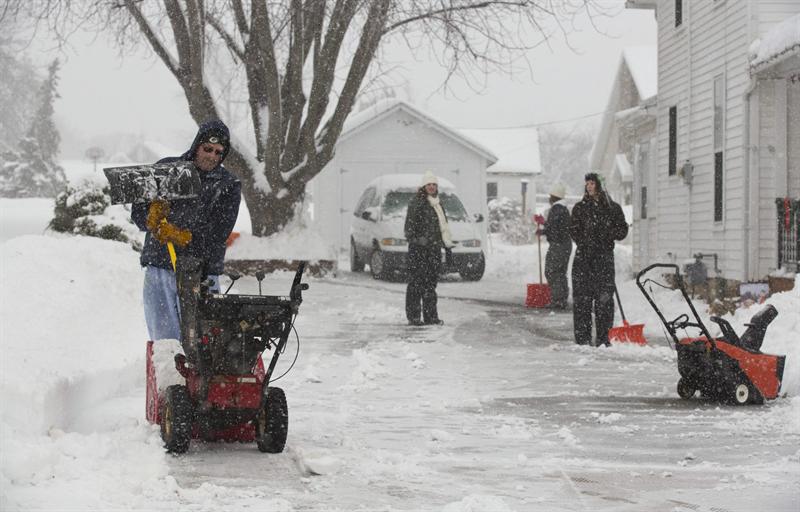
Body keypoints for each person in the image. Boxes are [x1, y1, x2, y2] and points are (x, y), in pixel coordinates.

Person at [131, 120, 241, 341]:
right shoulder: (166, 169)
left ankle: (200, 376)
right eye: (207, 149)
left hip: (202, 273)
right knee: (165, 341)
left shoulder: (227, 184)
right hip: (160, 266)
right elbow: (138, 212)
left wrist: (184, 236)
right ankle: (168, 375)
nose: (212, 156)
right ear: (196, 145)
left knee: (205, 342)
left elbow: (219, 231)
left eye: (218, 152)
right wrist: (151, 215)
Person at [569, 173, 628, 346]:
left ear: (599, 186)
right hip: (584, 260)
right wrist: (585, 241)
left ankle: (603, 339)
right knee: (582, 301)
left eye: (592, 183)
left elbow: (622, 230)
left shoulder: (612, 208)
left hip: (603, 260)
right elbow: (573, 230)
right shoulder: (580, 208)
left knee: (604, 301)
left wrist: (607, 235)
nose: (589, 186)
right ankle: (582, 339)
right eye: (587, 183)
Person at [404, 171, 455, 326]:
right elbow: (409, 229)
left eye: (434, 184)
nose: (431, 187)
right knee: (416, 284)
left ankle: (430, 316)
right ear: (423, 186)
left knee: (430, 285)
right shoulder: (417, 203)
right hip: (418, 251)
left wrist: (446, 247)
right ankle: (414, 317)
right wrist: (421, 241)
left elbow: (442, 228)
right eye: (429, 184)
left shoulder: (437, 204)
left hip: (433, 250)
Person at [538, 183, 572, 309]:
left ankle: (558, 300)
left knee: (552, 271)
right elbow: (557, 226)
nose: (549, 198)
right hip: (565, 244)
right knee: (561, 272)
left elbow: (553, 229)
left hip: (558, 245)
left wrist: (543, 229)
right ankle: (562, 299)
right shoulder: (563, 209)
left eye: (550, 196)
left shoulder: (556, 209)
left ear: (555, 197)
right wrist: (544, 224)